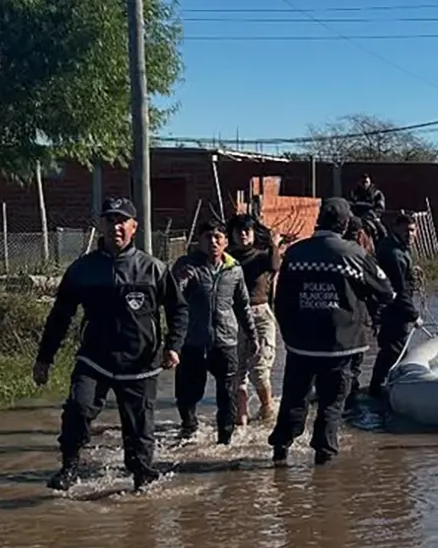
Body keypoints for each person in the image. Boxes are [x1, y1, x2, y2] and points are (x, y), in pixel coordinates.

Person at [33, 197, 189, 492]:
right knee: (78, 409)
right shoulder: (82, 270)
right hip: (95, 358)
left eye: (122, 221)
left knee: (139, 429)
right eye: (110, 220)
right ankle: (69, 467)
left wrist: (173, 346)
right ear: (101, 225)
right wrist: (45, 358)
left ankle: (142, 477)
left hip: (141, 362)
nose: (116, 227)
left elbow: (178, 309)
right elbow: (60, 316)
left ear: (134, 226)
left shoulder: (153, 269)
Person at [268, 198, 395, 466]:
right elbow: (385, 291)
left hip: (300, 343)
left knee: (294, 397)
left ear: (318, 219)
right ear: (346, 223)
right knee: (332, 402)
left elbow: (280, 298)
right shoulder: (354, 254)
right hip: (342, 344)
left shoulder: (295, 253)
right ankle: (323, 459)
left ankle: (281, 449)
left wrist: (289, 333)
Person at [171, 219, 258, 444]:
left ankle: (225, 440)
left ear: (226, 242)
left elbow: (242, 305)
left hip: (225, 340)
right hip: (193, 340)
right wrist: (180, 281)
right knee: (188, 392)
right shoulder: (187, 265)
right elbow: (171, 299)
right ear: (199, 241)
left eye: (218, 237)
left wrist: (251, 335)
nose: (213, 242)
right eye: (208, 237)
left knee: (227, 394)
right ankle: (189, 427)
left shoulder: (234, 269)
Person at [226, 213, 281, 425]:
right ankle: (241, 420)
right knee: (236, 372)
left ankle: (267, 410)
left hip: (259, 314)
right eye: (238, 231)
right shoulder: (227, 258)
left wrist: (274, 244)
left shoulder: (262, 256)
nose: (242, 235)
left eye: (246, 231)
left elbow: (275, 266)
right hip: (233, 316)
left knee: (259, 371)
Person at [368, 211, 422, 399]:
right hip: (391, 309)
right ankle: (377, 389)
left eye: (413, 230)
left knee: (396, 348)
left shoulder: (399, 248)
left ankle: (386, 385)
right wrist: (413, 314)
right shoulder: (393, 253)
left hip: (394, 307)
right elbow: (397, 289)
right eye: (407, 230)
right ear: (396, 228)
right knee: (392, 349)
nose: (411, 234)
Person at [342, 215, 379, 411]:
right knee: (351, 366)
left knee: (348, 366)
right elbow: (377, 291)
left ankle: (348, 400)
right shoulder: (360, 255)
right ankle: (350, 403)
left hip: (351, 318)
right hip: (354, 319)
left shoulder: (343, 252)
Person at [347, 173, 387, 241]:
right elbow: (349, 205)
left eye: (366, 182)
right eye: (362, 182)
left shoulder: (377, 193)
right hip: (356, 217)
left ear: (370, 182)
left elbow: (380, 208)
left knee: (382, 232)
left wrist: (372, 215)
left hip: (371, 217)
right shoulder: (353, 193)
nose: (364, 184)